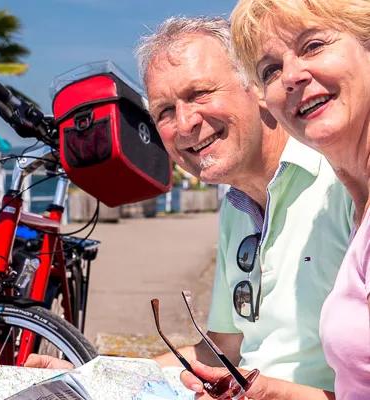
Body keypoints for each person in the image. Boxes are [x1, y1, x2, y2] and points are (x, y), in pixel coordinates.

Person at [25, 15, 355, 395]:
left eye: (199, 94)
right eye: (164, 111)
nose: (183, 124)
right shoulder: (237, 205)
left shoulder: (342, 181)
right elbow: (218, 353)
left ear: (258, 87)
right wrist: (89, 378)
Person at [176, 1, 370, 398]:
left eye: (314, 45)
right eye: (271, 70)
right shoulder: (238, 206)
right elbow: (222, 349)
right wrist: (97, 372)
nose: (292, 77)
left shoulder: (335, 192)